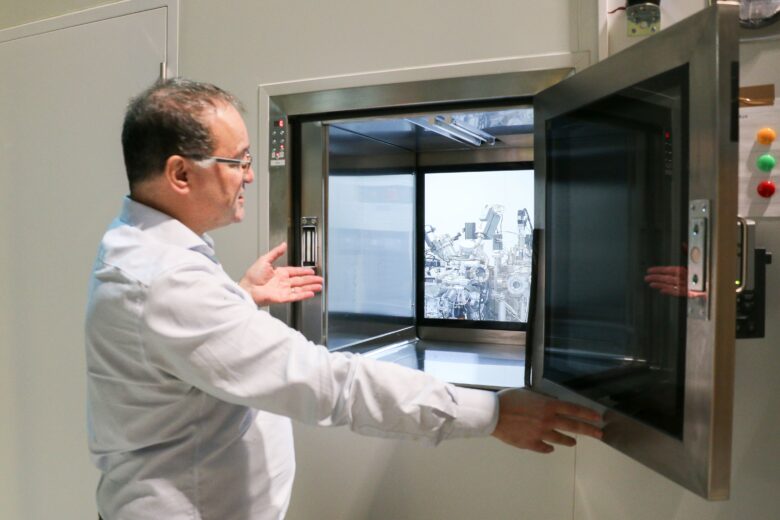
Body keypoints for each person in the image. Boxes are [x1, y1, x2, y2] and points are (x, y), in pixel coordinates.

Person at [85, 78, 603, 520]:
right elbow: (329, 384)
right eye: (238, 160)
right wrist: (489, 413)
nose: (248, 174)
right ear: (180, 174)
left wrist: (240, 301)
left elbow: (177, 354)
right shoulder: (167, 279)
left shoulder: (146, 252)